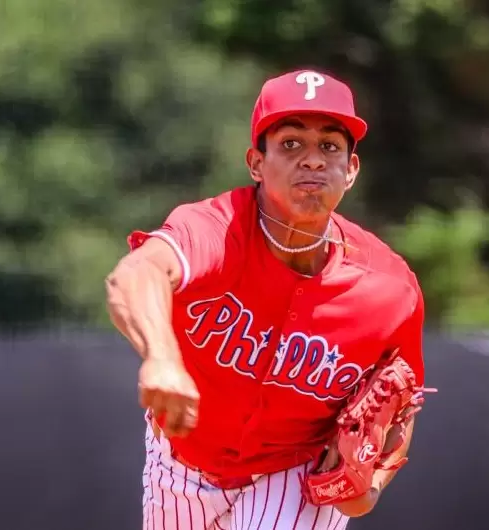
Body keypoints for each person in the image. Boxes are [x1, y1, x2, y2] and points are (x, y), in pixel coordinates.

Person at [105, 68, 428, 530]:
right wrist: (161, 357)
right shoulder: (216, 229)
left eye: (330, 146)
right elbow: (136, 274)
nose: (312, 160)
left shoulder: (390, 289)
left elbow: (402, 398)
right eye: (291, 143)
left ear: (351, 170)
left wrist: (372, 485)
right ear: (256, 163)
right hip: (179, 463)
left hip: (294, 474)